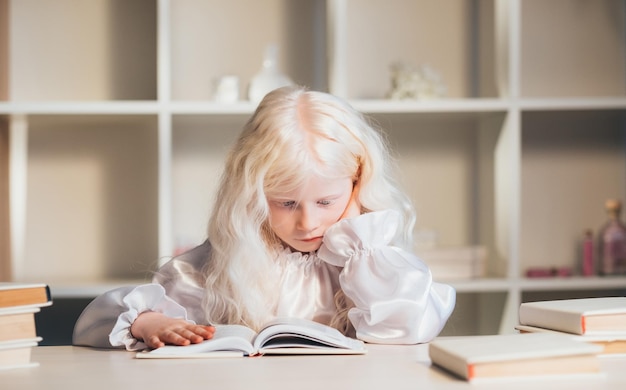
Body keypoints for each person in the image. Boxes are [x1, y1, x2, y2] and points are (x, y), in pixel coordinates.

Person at [73, 86, 456, 351]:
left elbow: (407, 327)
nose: (308, 223)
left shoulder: (375, 266)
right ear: (251, 195)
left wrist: (363, 243)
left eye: (326, 201)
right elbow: (94, 324)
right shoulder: (216, 266)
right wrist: (146, 323)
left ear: (358, 185)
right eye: (286, 203)